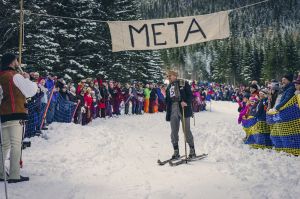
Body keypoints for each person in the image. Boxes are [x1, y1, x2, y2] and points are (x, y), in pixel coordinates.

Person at [0, 53, 38, 183]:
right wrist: (28, 79)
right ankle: (14, 174)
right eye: (16, 60)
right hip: (16, 112)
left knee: (4, 145)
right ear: (12, 62)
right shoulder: (15, 76)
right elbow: (31, 91)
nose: (17, 62)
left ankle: (0, 173)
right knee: (16, 144)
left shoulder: (1, 76)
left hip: (3, 114)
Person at [165, 71, 196, 159]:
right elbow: (167, 100)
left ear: (175, 76)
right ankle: (176, 151)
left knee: (186, 130)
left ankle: (192, 150)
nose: (169, 78)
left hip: (183, 108)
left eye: (170, 76)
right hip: (173, 109)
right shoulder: (169, 87)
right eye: (168, 76)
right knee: (174, 131)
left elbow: (190, 95)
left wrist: (186, 102)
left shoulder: (183, 83)